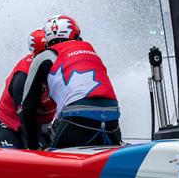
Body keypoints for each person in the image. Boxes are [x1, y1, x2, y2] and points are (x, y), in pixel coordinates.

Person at [21, 15, 121, 149]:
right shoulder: (90, 49)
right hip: (112, 114)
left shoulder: (42, 57)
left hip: (77, 117)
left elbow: (27, 106)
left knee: (55, 162)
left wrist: (33, 146)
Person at [0, 29, 56, 148]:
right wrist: (35, 145)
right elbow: (25, 116)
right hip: (12, 125)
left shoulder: (57, 65)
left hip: (41, 123)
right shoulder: (23, 76)